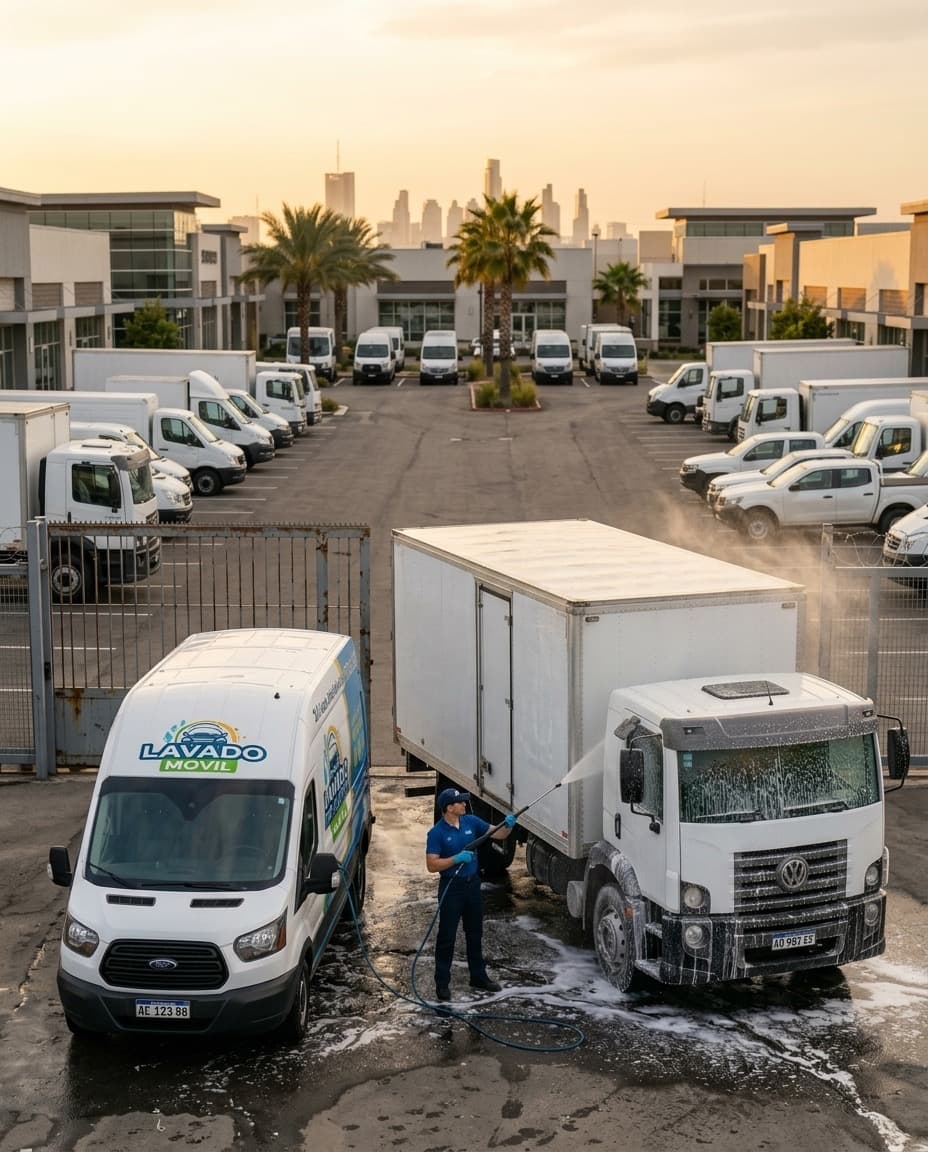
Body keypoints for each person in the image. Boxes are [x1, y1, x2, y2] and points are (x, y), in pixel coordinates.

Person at [425, 787, 517, 1002]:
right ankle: (442, 983)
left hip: (472, 885)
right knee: (446, 937)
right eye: (460, 802)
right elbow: (431, 864)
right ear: (449, 807)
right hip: (452, 887)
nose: (465, 804)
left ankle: (478, 976)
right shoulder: (437, 833)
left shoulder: (471, 822)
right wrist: (456, 859)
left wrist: (510, 825)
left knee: (475, 933)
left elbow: (499, 833)